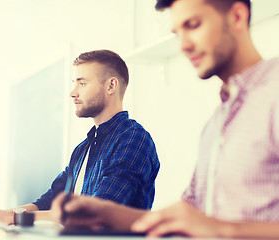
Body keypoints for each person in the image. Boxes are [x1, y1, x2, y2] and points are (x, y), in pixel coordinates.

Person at [51, 0, 279, 238]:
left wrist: (222, 230)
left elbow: (211, 228)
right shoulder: (216, 123)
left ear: (237, 17)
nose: (183, 45)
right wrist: (104, 212)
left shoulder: (275, 92)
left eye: (193, 25)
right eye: (177, 33)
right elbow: (185, 217)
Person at [0, 49, 160, 225]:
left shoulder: (133, 139)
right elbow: (50, 201)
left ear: (111, 86)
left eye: (82, 83)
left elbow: (97, 214)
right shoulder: (83, 148)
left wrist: (9, 217)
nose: (72, 92)